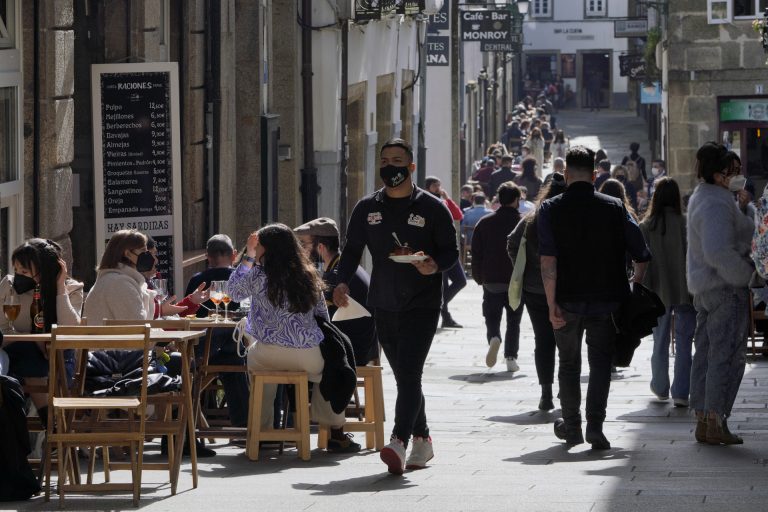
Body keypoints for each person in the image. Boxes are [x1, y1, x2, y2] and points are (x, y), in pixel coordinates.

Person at [332, 138, 458, 474]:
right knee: (404, 376)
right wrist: (340, 282)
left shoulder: (432, 207)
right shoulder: (367, 208)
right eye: (385, 160)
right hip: (383, 302)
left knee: (410, 372)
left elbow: (451, 252)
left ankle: (398, 440)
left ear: (411, 167)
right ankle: (424, 439)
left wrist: (433, 264)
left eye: (398, 160)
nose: (391, 166)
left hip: (423, 302)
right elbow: (351, 251)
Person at [538, 146, 651, 450]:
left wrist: (551, 304)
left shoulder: (550, 209)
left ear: (565, 174)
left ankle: (572, 427)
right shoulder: (614, 207)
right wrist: (634, 286)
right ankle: (595, 426)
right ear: (595, 173)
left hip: (566, 299)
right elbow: (642, 254)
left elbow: (548, 261)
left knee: (569, 364)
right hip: (607, 300)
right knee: (600, 364)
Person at [228, 224, 361, 454]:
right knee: (330, 370)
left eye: (258, 247)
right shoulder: (308, 275)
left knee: (257, 367)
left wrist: (248, 256)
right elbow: (323, 317)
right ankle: (335, 430)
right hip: (306, 355)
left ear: (266, 249)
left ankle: (263, 431)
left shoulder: (258, 275)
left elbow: (233, 292)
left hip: (267, 353)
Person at [687, 141, 754, 445]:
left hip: (705, 289)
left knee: (706, 354)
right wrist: (746, 276)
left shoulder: (706, 197)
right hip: (725, 288)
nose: (737, 176)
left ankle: (703, 419)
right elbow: (719, 250)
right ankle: (716, 420)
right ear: (718, 174)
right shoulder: (716, 202)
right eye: (732, 171)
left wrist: (743, 208)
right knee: (725, 357)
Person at [0, 239, 83, 425]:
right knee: (30, 355)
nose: (19, 276)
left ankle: (50, 426)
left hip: (57, 358)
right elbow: (3, 331)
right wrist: (33, 340)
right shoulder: (10, 287)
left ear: (44, 270)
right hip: (17, 353)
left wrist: (60, 289)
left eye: (25, 271)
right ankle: (52, 426)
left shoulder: (72, 289)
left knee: (35, 360)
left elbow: (70, 330)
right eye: (17, 270)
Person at [508, 173, 568, 410]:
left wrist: (524, 268)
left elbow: (512, 243)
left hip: (535, 289)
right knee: (567, 341)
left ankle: (546, 392)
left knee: (543, 340)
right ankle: (566, 388)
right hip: (566, 290)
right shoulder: (569, 218)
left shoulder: (532, 218)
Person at [639, 178, 696, 407]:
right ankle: (682, 392)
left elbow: (641, 260)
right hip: (686, 290)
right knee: (685, 341)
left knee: (659, 340)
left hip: (658, 292)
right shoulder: (686, 223)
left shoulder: (647, 226)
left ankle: (660, 386)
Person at [185, 234, 250, 429]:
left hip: (203, 351)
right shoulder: (241, 278)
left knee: (203, 363)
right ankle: (243, 424)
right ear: (234, 255)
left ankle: (203, 411)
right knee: (235, 362)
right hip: (236, 346)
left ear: (208, 257)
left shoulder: (198, 280)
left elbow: (189, 313)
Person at [294, 218, 378, 366]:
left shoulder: (336, 276)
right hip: (361, 348)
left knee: (290, 353)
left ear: (320, 248)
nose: (301, 251)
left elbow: (307, 312)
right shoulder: (344, 269)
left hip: (350, 352)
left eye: (304, 245)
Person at [471, 182, 524, 373]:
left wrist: (479, 277)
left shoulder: (484, 222)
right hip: (516, 280)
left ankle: (494, 336)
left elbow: (476, 252)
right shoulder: (523, 222)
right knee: (514, 320)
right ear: (516, 200)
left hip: (491, 278)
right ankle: (511, 357)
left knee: (492, 316)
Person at [425, 176, 467, 328]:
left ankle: (440, 304)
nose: (438, 188)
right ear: (428, 187)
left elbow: (458, 215)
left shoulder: (443, 202)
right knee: (441, 285)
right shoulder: (425, 202)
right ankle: (445, 316)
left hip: (449, 250)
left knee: (460, 280)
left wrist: (448, 198)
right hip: (436, 252)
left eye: (439, 185)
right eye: (435, 185)